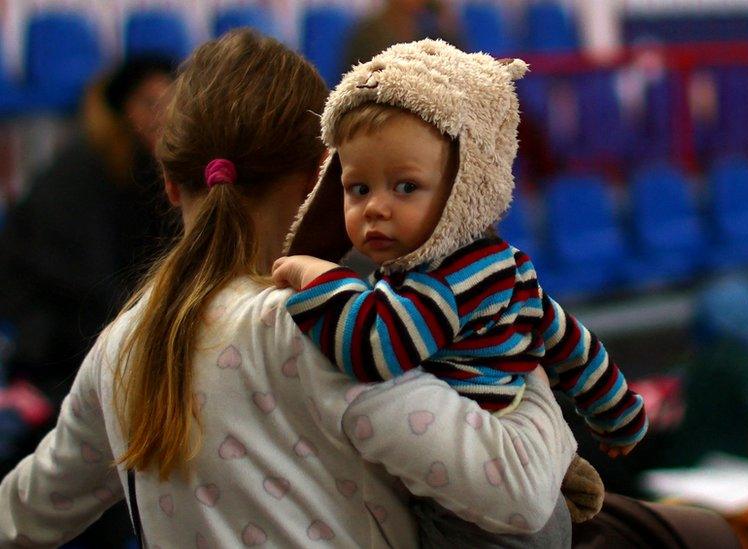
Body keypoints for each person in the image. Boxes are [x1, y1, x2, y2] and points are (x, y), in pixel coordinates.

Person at [0, 30, 576, 547]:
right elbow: (522, 497)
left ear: (172, 186)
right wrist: (521, 348)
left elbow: (24, 513)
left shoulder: (120, 347)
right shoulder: (325, 329)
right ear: (320, 177)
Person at [272, 39, 648, 542]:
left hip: (476, 523)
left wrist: (315, 275)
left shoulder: (449, 281)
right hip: (513, 502)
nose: (376, 208)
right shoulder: (501, 268)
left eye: (405, 187)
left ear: (464, 186)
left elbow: (376, 347)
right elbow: (570, 343)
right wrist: (618, 414)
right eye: (358, 188)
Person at [0, 56, 176, 406]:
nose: (163, 116)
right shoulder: (82, 173)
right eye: (150, 104)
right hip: (53, 338)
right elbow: (89, 285)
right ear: (125, 110)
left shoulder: (143, 170)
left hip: (95, 321)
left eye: (172, 104)